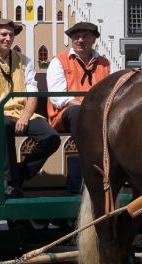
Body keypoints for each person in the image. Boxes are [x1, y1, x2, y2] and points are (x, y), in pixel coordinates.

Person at [0, 18, 60, 198]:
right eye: (3, 34)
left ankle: (20, 173)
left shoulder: (24, 61)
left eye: (11, 35)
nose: (8, 38)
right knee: (5, 126)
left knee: (51, 137)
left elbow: (33, 93)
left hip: (21, 113)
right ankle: (11, 183)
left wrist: (26, 115)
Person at [46, 21, 113, 192]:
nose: (80, 40)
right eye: (76, 37)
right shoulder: (59, 61)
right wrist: (88, 106)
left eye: (85, 36)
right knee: (78, 113)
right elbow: (58, 98)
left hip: (98, 114)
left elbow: (109, 92)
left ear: (93, 40)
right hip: (65, 113)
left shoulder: (104, 63)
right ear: (71, 40)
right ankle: (88, 167)